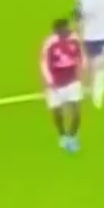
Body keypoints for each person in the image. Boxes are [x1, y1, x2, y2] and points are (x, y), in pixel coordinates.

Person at [40, 19, 83, 152]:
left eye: (67, 28)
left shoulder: (74, 39)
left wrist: (81, 72)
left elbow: (80, 56)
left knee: (77, 112)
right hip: (56, 84)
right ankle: (62, 135)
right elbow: (44, 63)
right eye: (63, 30)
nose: (66, 31)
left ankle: (72, 137)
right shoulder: (50, 44)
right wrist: (50, 81)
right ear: (56, 31)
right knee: (57, 113)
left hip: (72, 81)